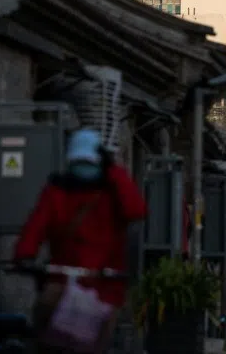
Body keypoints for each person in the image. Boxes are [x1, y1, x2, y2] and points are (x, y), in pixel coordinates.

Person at [14, 128, 148, 352]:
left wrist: (115, 171)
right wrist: (25, 255)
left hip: (103, 285)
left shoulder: (111, 193)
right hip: (63, 280)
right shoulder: (58, 191)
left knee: (98, 339)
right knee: (44, 324)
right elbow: (36, 226)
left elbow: (136, 210)